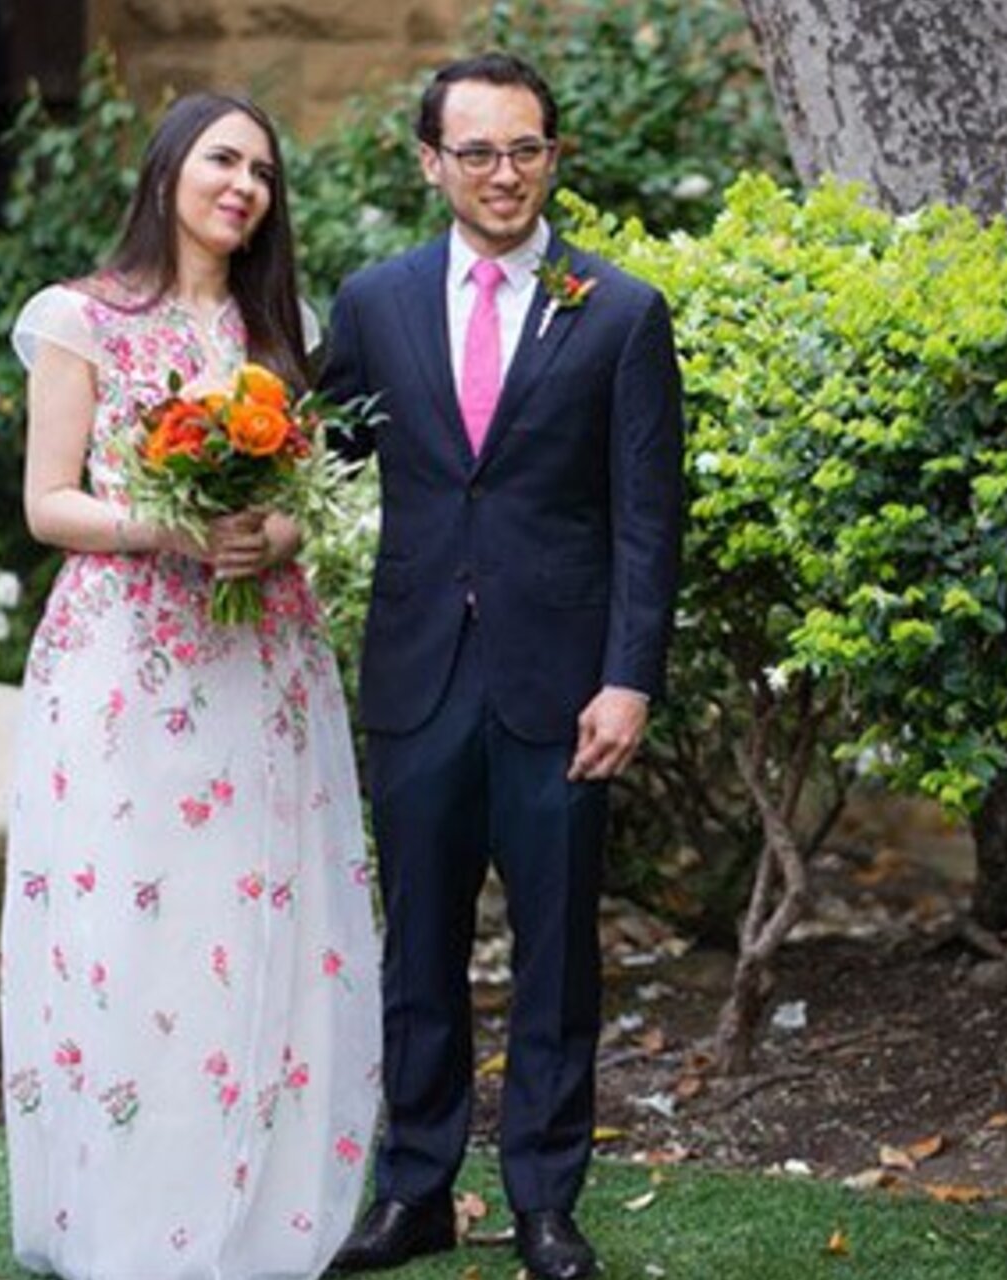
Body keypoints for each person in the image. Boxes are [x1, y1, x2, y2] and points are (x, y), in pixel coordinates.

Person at [0, 93, 381, 1280]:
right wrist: (163, 524)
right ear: (171, 165)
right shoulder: (82, 317)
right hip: (124, 665)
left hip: (261, 659)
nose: (244, 186)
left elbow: (300, 503)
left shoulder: (282, 331)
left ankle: (253, 1209)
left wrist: (272, 539)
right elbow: (47, 501)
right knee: (133, 926)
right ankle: (125, 1207)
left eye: (263, 171)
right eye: (224, 159)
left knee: (253, 916)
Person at [319, 52, 685, 1280]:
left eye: (524, 148)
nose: (503, 173)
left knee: (557, 953)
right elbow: (318, 462)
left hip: (563, 688)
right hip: (418, 675)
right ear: (432, 163)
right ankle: (415, 1188)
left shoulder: (620, 310)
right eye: (475, 151)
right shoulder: (372, 302)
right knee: (416, 946)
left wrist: (629, 676)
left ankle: (545, 1198)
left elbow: (648, 517)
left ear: (553, 156)